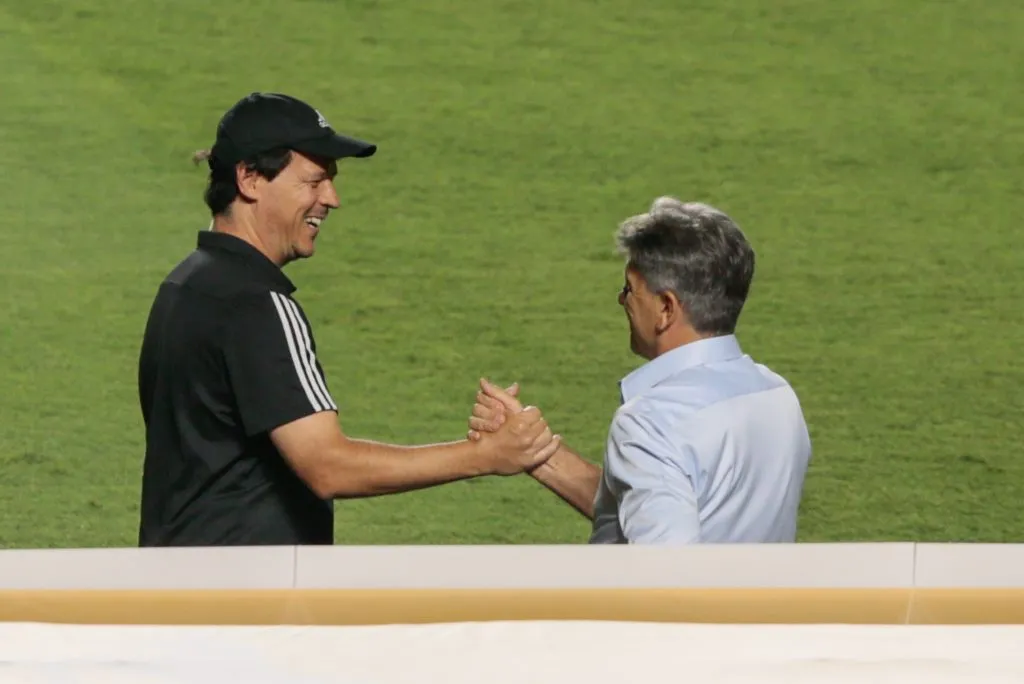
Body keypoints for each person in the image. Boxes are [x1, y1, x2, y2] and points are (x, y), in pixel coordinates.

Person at [136, 92, 560, 547]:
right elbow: (327, 465)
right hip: (249, 594)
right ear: (251, 179)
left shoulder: (185, 285)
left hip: (181, 578)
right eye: (314, 181)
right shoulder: (256, 304)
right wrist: (483, 456)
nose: (331, 199)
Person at [468, 197, 811, 544]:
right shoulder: (777, 394)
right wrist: (535, 449)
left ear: (665, 308)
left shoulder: (652, 421)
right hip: (758, 599)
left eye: (630, 289)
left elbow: (663, 576)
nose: (622, 300)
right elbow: (652, 508)